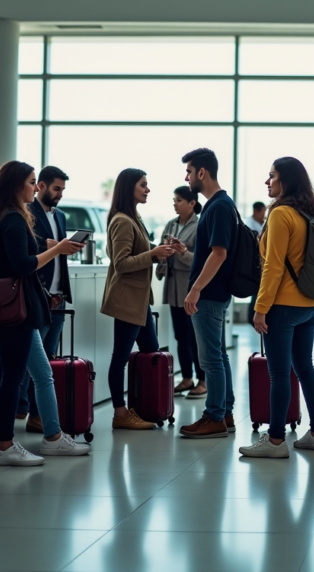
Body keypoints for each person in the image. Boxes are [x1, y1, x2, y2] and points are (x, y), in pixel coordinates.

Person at [0, 160, 89, 466]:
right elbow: (23, 264)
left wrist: (50, 246)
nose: (34, 186)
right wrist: (57, 250)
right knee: (12, 377)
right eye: (30, 181)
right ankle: (7, 445)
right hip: (16, 310)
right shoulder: (13, 218)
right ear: (15, 185)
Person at [242, 157, 314, 458]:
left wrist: (260, 306)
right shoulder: (307, 214)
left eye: (272, 177)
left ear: (286, 181)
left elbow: (273, 267)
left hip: (284, 306)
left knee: (279, 374)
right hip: (311, 304)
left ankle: (276, 440)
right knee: (305, 368)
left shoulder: (281, 214)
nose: (267, 182)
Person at [100, 168, 176, 430]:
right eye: (143, 185)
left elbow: (138, 255)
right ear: (129, 188)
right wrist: (152, 254)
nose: (148, 189)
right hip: (128, 300)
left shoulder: (134, 217)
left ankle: (144, 406)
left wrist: (159, 251)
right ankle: (120, 414)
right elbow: (121, 264)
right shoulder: (122, 220)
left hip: (140, 301)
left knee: (151, 353)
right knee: (120, 357)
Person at [178, 148, 238, 439]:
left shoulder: (218, 207)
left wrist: (196, 289)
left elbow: (219, 253)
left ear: (202, 172)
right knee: (218, 356)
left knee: (211, 359)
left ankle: (214, 416)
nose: (186, 177)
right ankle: (224, 412)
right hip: (215, 293)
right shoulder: (220, 205)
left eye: (189, 171)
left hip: (210, 294)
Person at [17, 165, 75, 433]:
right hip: (38, 295)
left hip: (58, 297)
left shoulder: (61, 216)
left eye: (62, 189)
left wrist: (67, 248)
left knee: (48, 358)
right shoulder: (26, 213)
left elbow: (58, 253)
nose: (60, 194)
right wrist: (55, 247)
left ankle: (37, 416)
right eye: (56, 188)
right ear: (40, 186)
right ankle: (22, 408)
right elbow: (30, 251)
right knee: (30, 362)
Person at [156, 186, 206, 399]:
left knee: (195, 337)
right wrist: (163, 254)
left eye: (178, 200)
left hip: (190, 288)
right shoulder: (171, 224)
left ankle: (202, 380)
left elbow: (202, 260)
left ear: (191, 203)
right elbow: (160, 250)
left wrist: (183, 252)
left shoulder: (200, 225)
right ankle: (187, 377)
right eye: (174, 200)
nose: (174, 204)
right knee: (180, 336)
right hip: (173, 288)